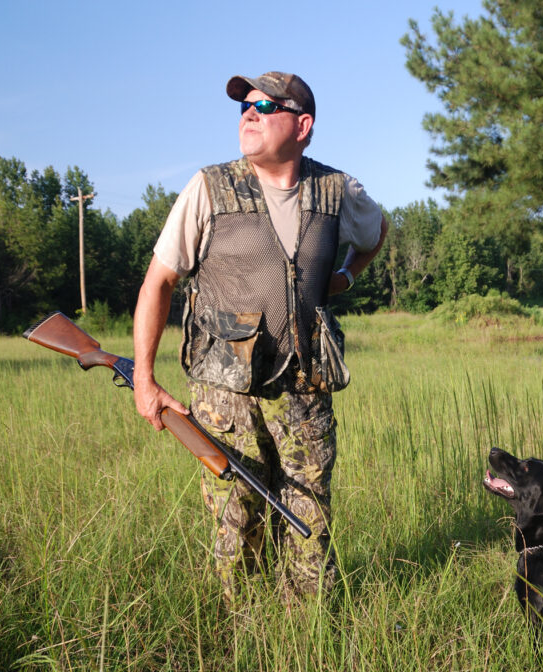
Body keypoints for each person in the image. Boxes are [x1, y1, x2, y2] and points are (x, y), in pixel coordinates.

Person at [132, 71, 387, 604]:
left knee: (309, 520)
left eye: (267, 105)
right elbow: (159, 280)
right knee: (237, 522)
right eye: (244, 106)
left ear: (303, 124)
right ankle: (245, 640)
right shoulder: (209, 187)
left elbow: (376, 232)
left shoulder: (337, 191)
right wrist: (143, 378)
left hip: (305, 388)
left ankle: (306, 640)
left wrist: (346, 276)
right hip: (224, 396)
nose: (249, 113)